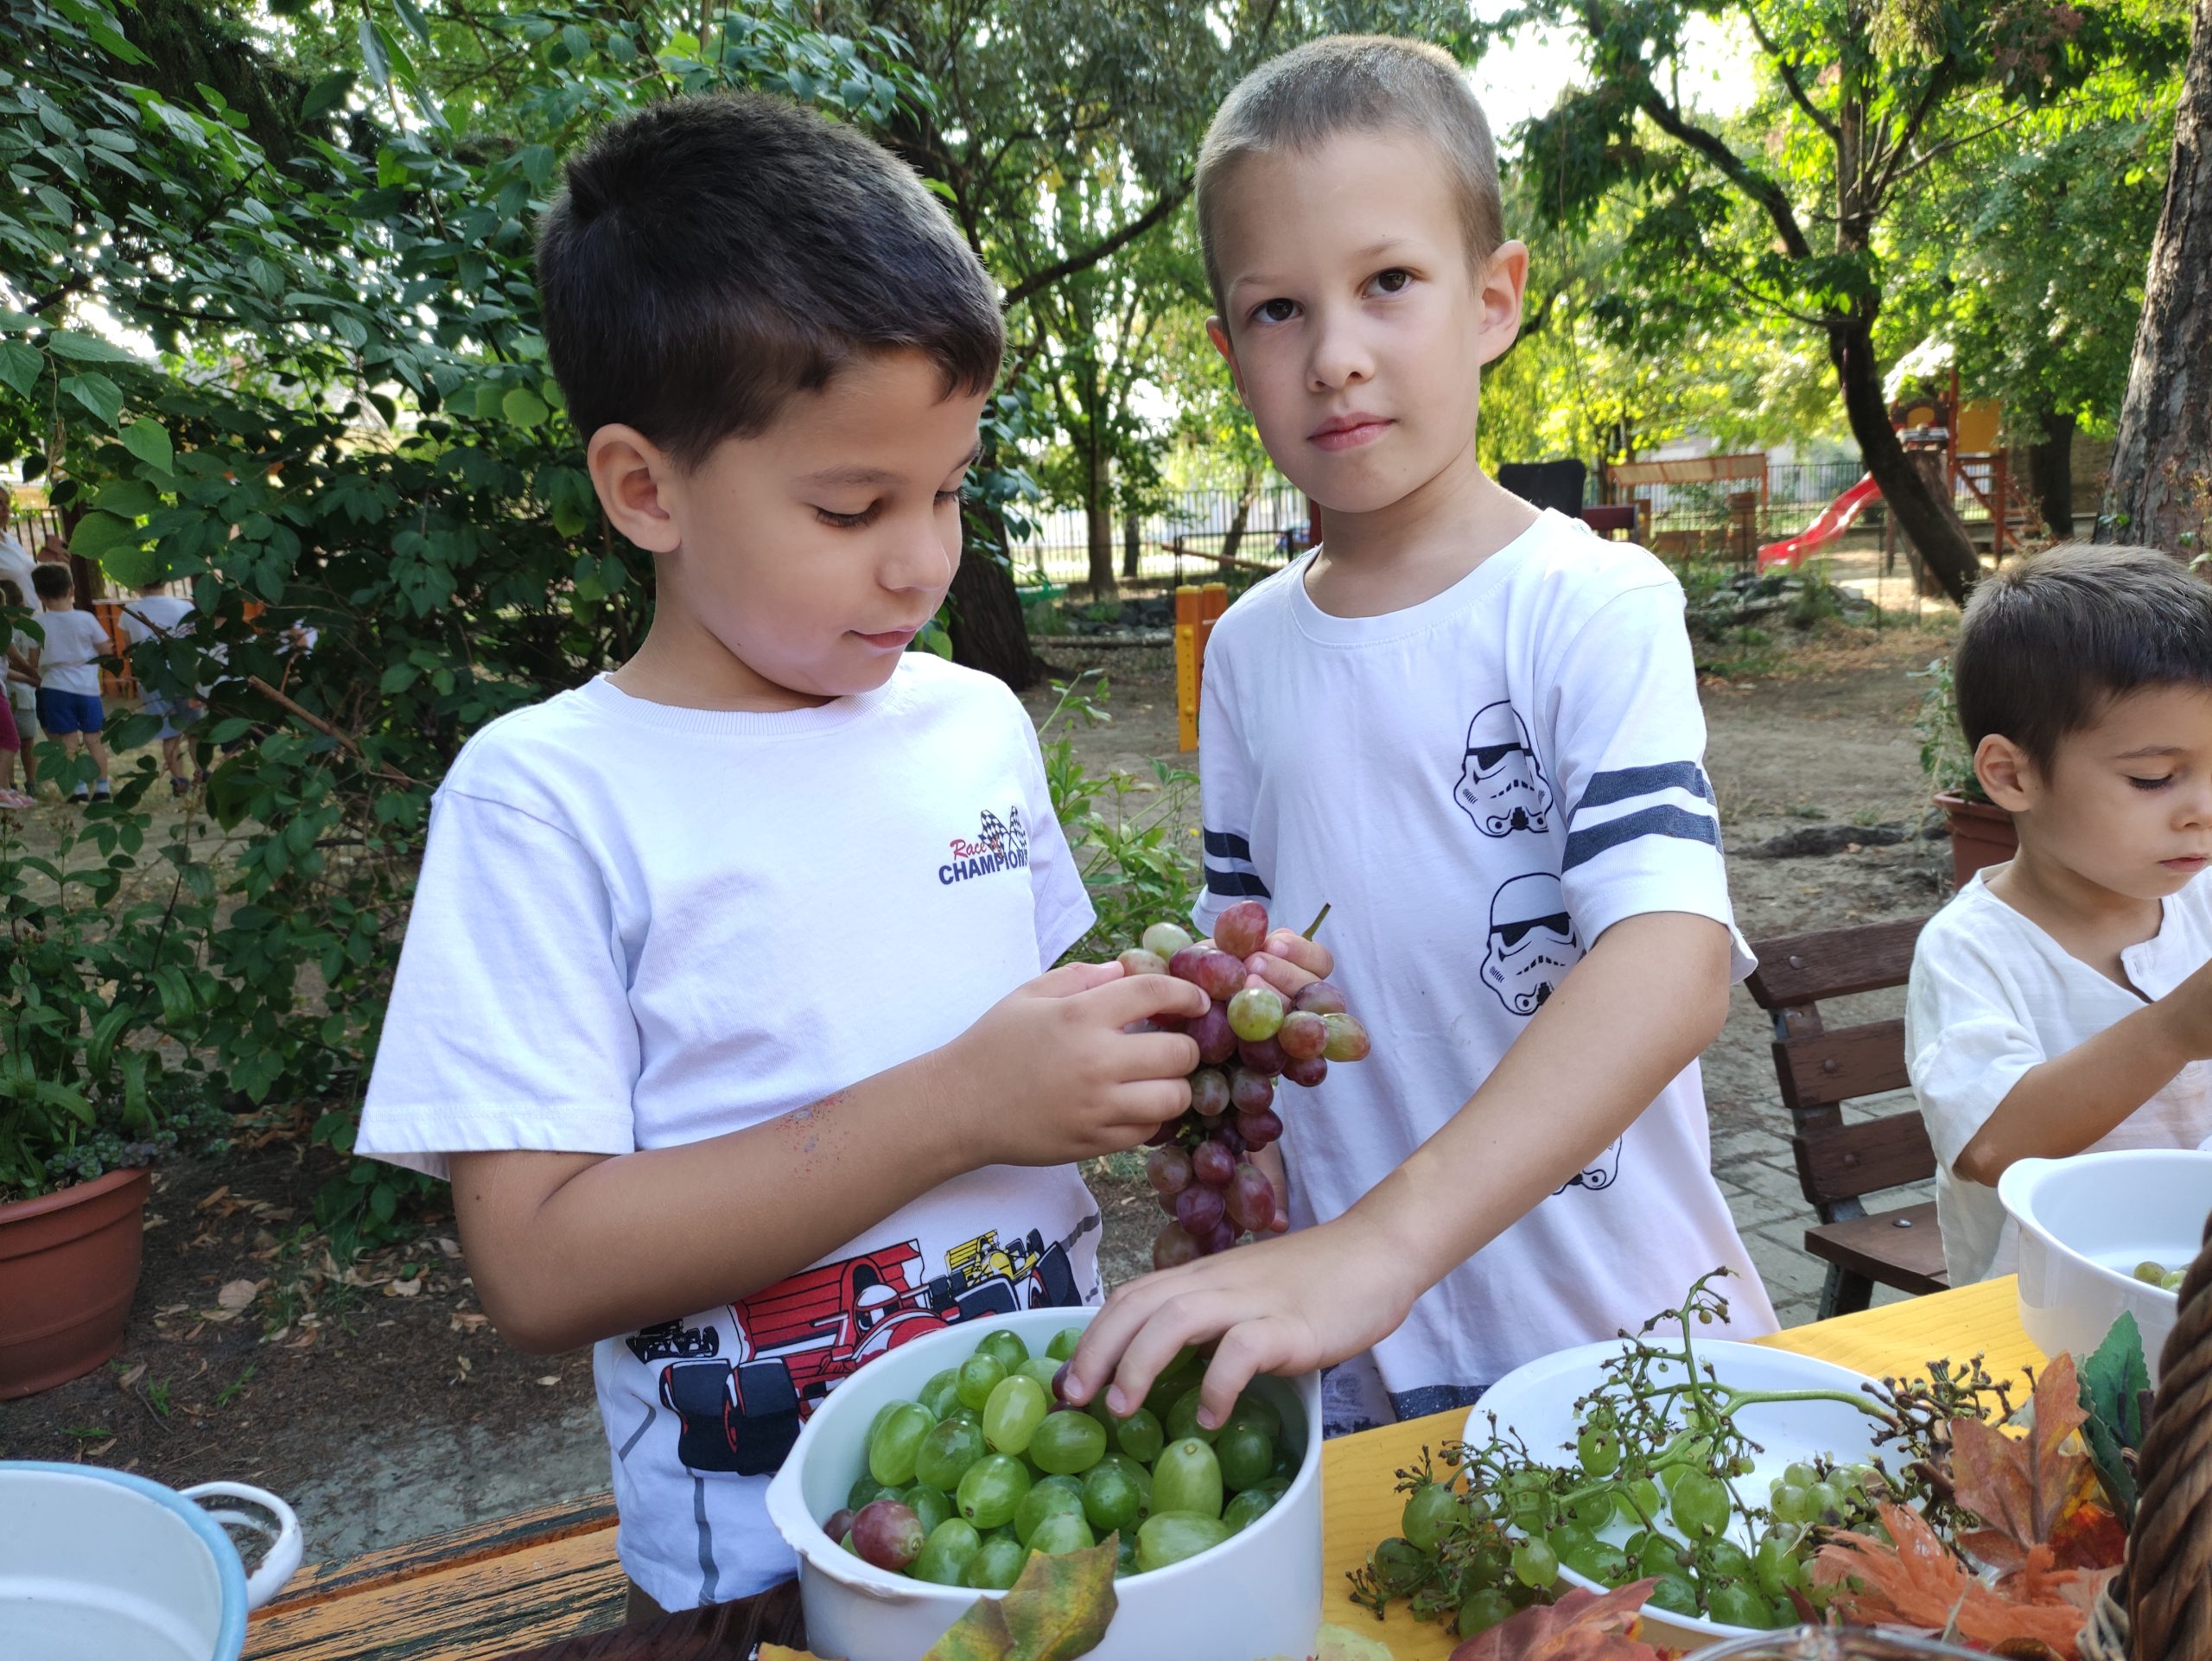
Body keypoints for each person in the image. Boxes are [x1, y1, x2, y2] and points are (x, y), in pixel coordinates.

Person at [353, 93, 1209, 1617]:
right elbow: (539, 1266)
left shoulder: (968, 727)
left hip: (1056, 1509)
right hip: (756, 1580)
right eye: (851, 504)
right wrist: (960, 1103)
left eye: (948, 491)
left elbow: (1034, 1020)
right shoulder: (548, 802)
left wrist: (1152, 1039)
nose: (924, 560)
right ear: (645, 488)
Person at [1065, 36, 1775, 1437]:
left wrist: (1381, 1243)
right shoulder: (1253, 651)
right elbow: (1252, 955)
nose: (1334, 356)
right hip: (1357, 1370)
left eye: (1389, 282)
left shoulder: (1588, 600)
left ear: (1493, 298)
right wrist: (1240, 1008)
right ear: (1226, 353)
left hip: (1611, 1344)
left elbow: (1674, 960)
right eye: (1276, 309)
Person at [1904, 544, 2212, 1285]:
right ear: (2013, 775)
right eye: (2155, 779)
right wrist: (2175, 1030)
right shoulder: (1972, 952)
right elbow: (1990, 1146)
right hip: (2044, 1331)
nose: (2202, 811)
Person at [26, 562, 111, 804]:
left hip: (55, 688)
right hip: (87, 688)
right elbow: (105, 648)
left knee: (67, 742)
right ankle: (103, 787)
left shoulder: (39, 623)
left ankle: (78, 788)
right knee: (94, 738)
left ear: (40, 595)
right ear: (71, 589)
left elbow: (34, 660)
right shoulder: (86, 619)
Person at [117, 581, 200, 794]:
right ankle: (202, 772)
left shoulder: (130, 612)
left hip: (152, 677)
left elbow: (129, 648)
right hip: (183, 673)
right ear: (165, 581)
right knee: (194, 731)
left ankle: (179, 781)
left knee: (169, 734)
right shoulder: (184, 608)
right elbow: (194, 642)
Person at [1, 577, 37, 800]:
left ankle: (8, 787)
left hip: (12, 690)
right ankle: (5, 789)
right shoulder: (4, 631)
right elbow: (20, 662)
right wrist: (35, 677)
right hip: (9, 693)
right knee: (13, 741)